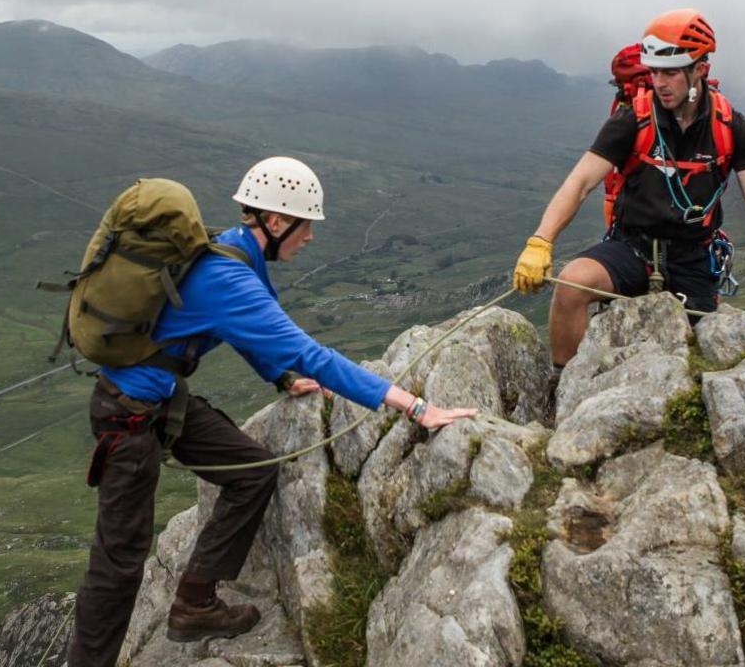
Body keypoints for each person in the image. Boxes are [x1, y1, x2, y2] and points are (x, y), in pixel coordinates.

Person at [69, 156, 476, 667]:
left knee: (255, 472)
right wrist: (415, 407)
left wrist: (279, 376)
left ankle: (193, 603)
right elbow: (314, 356)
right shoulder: (228, 277)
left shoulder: (234, 256)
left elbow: (249, 335)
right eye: (306, 226)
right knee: (119, 564)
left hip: (158, 403)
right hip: (127, 420)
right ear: (277, 222)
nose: (309, 238)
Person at [511, 9, 745, 387]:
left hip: (693, 257)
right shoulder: (632, 120)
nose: (659, 82)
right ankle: (561, 389)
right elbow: (579, 183)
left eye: (671, 72)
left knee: (703, 354)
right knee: (571, 286)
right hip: (632, 248)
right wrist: (541, 241)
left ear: (700, 70)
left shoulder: (731, 128)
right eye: (654, 71)